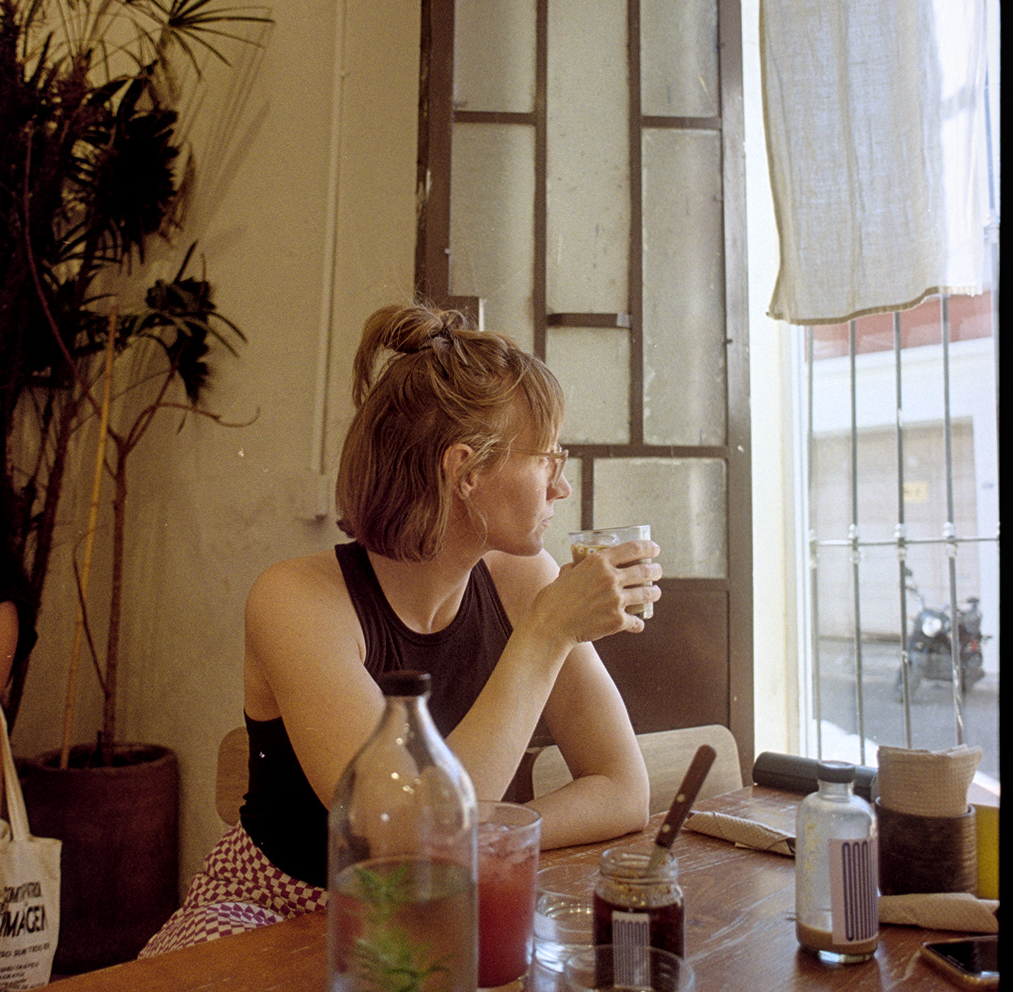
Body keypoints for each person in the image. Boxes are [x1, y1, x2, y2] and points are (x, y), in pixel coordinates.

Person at [141, 302, 659, 954]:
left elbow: (622, 789)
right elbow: (408, 834)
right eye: (546, 458)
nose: (559, 485)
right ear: (466, 472)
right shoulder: (296, 600)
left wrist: (480, 841)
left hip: (434, 907)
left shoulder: (522, 578)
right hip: (274, 913)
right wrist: (548, 631)